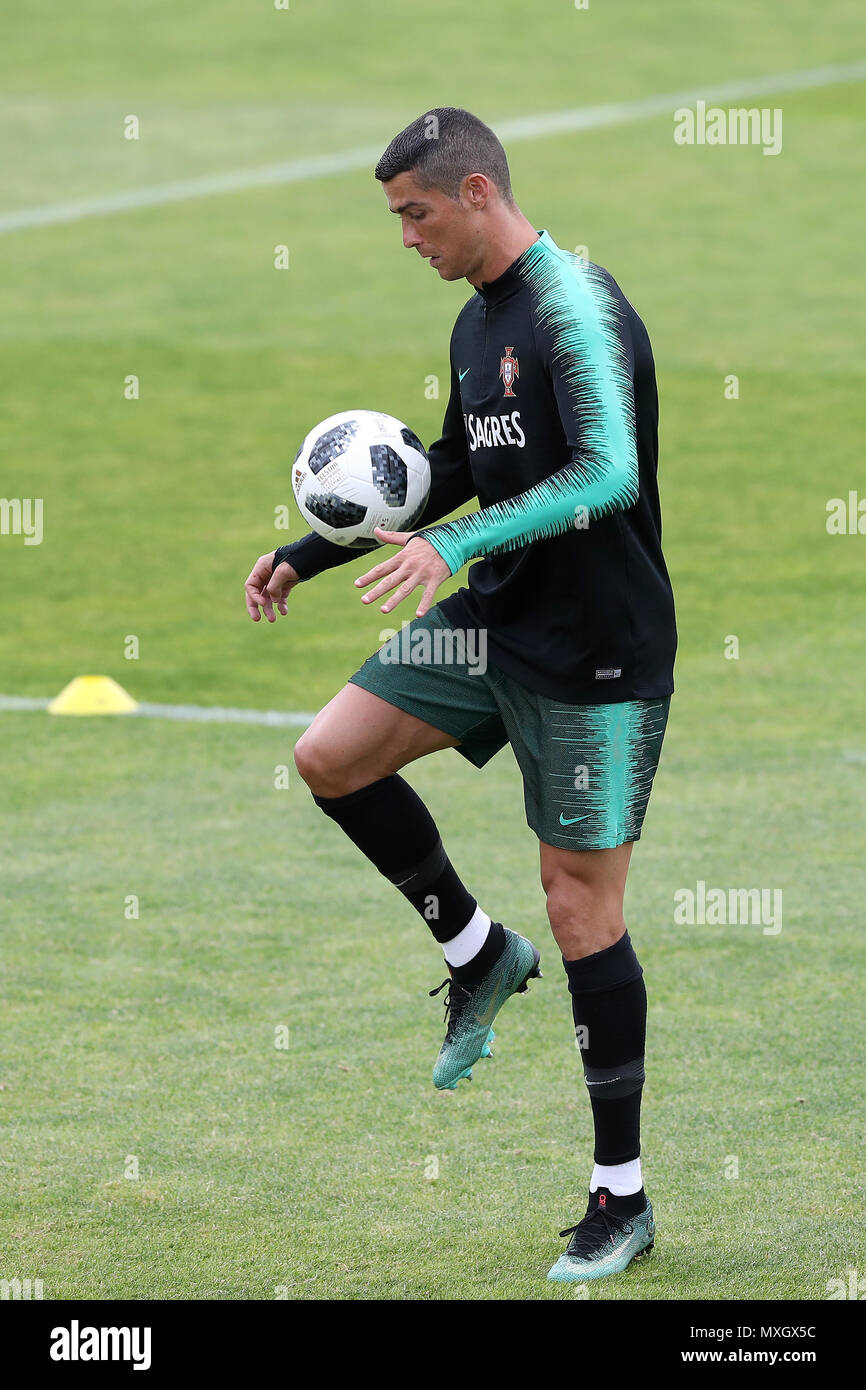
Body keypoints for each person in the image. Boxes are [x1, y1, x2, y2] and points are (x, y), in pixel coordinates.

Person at [244, 107, 676, 1283]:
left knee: (582, 909)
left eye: (413, 213)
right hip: (495, 627)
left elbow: (606, 473)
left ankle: (619, 1196)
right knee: (330, 754)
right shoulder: (472, 317)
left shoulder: (574, 308)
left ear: (476, 191)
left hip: (595, 656)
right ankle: (478, 953)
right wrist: (316, 547)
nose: (404, 236)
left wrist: (455, 545)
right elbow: (447, 464)